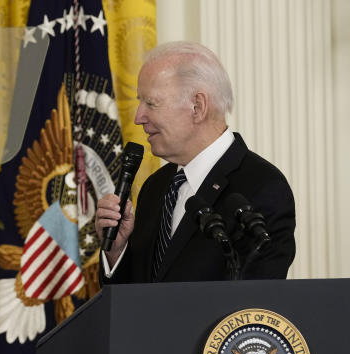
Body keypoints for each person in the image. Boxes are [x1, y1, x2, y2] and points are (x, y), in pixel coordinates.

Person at [94, 41, 296, 284]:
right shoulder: (154, 187)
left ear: (197, 107)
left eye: (151, 103)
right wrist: (116, 252)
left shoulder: (262, 186)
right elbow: (137, 300)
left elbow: (256, 305)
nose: (139, 117)